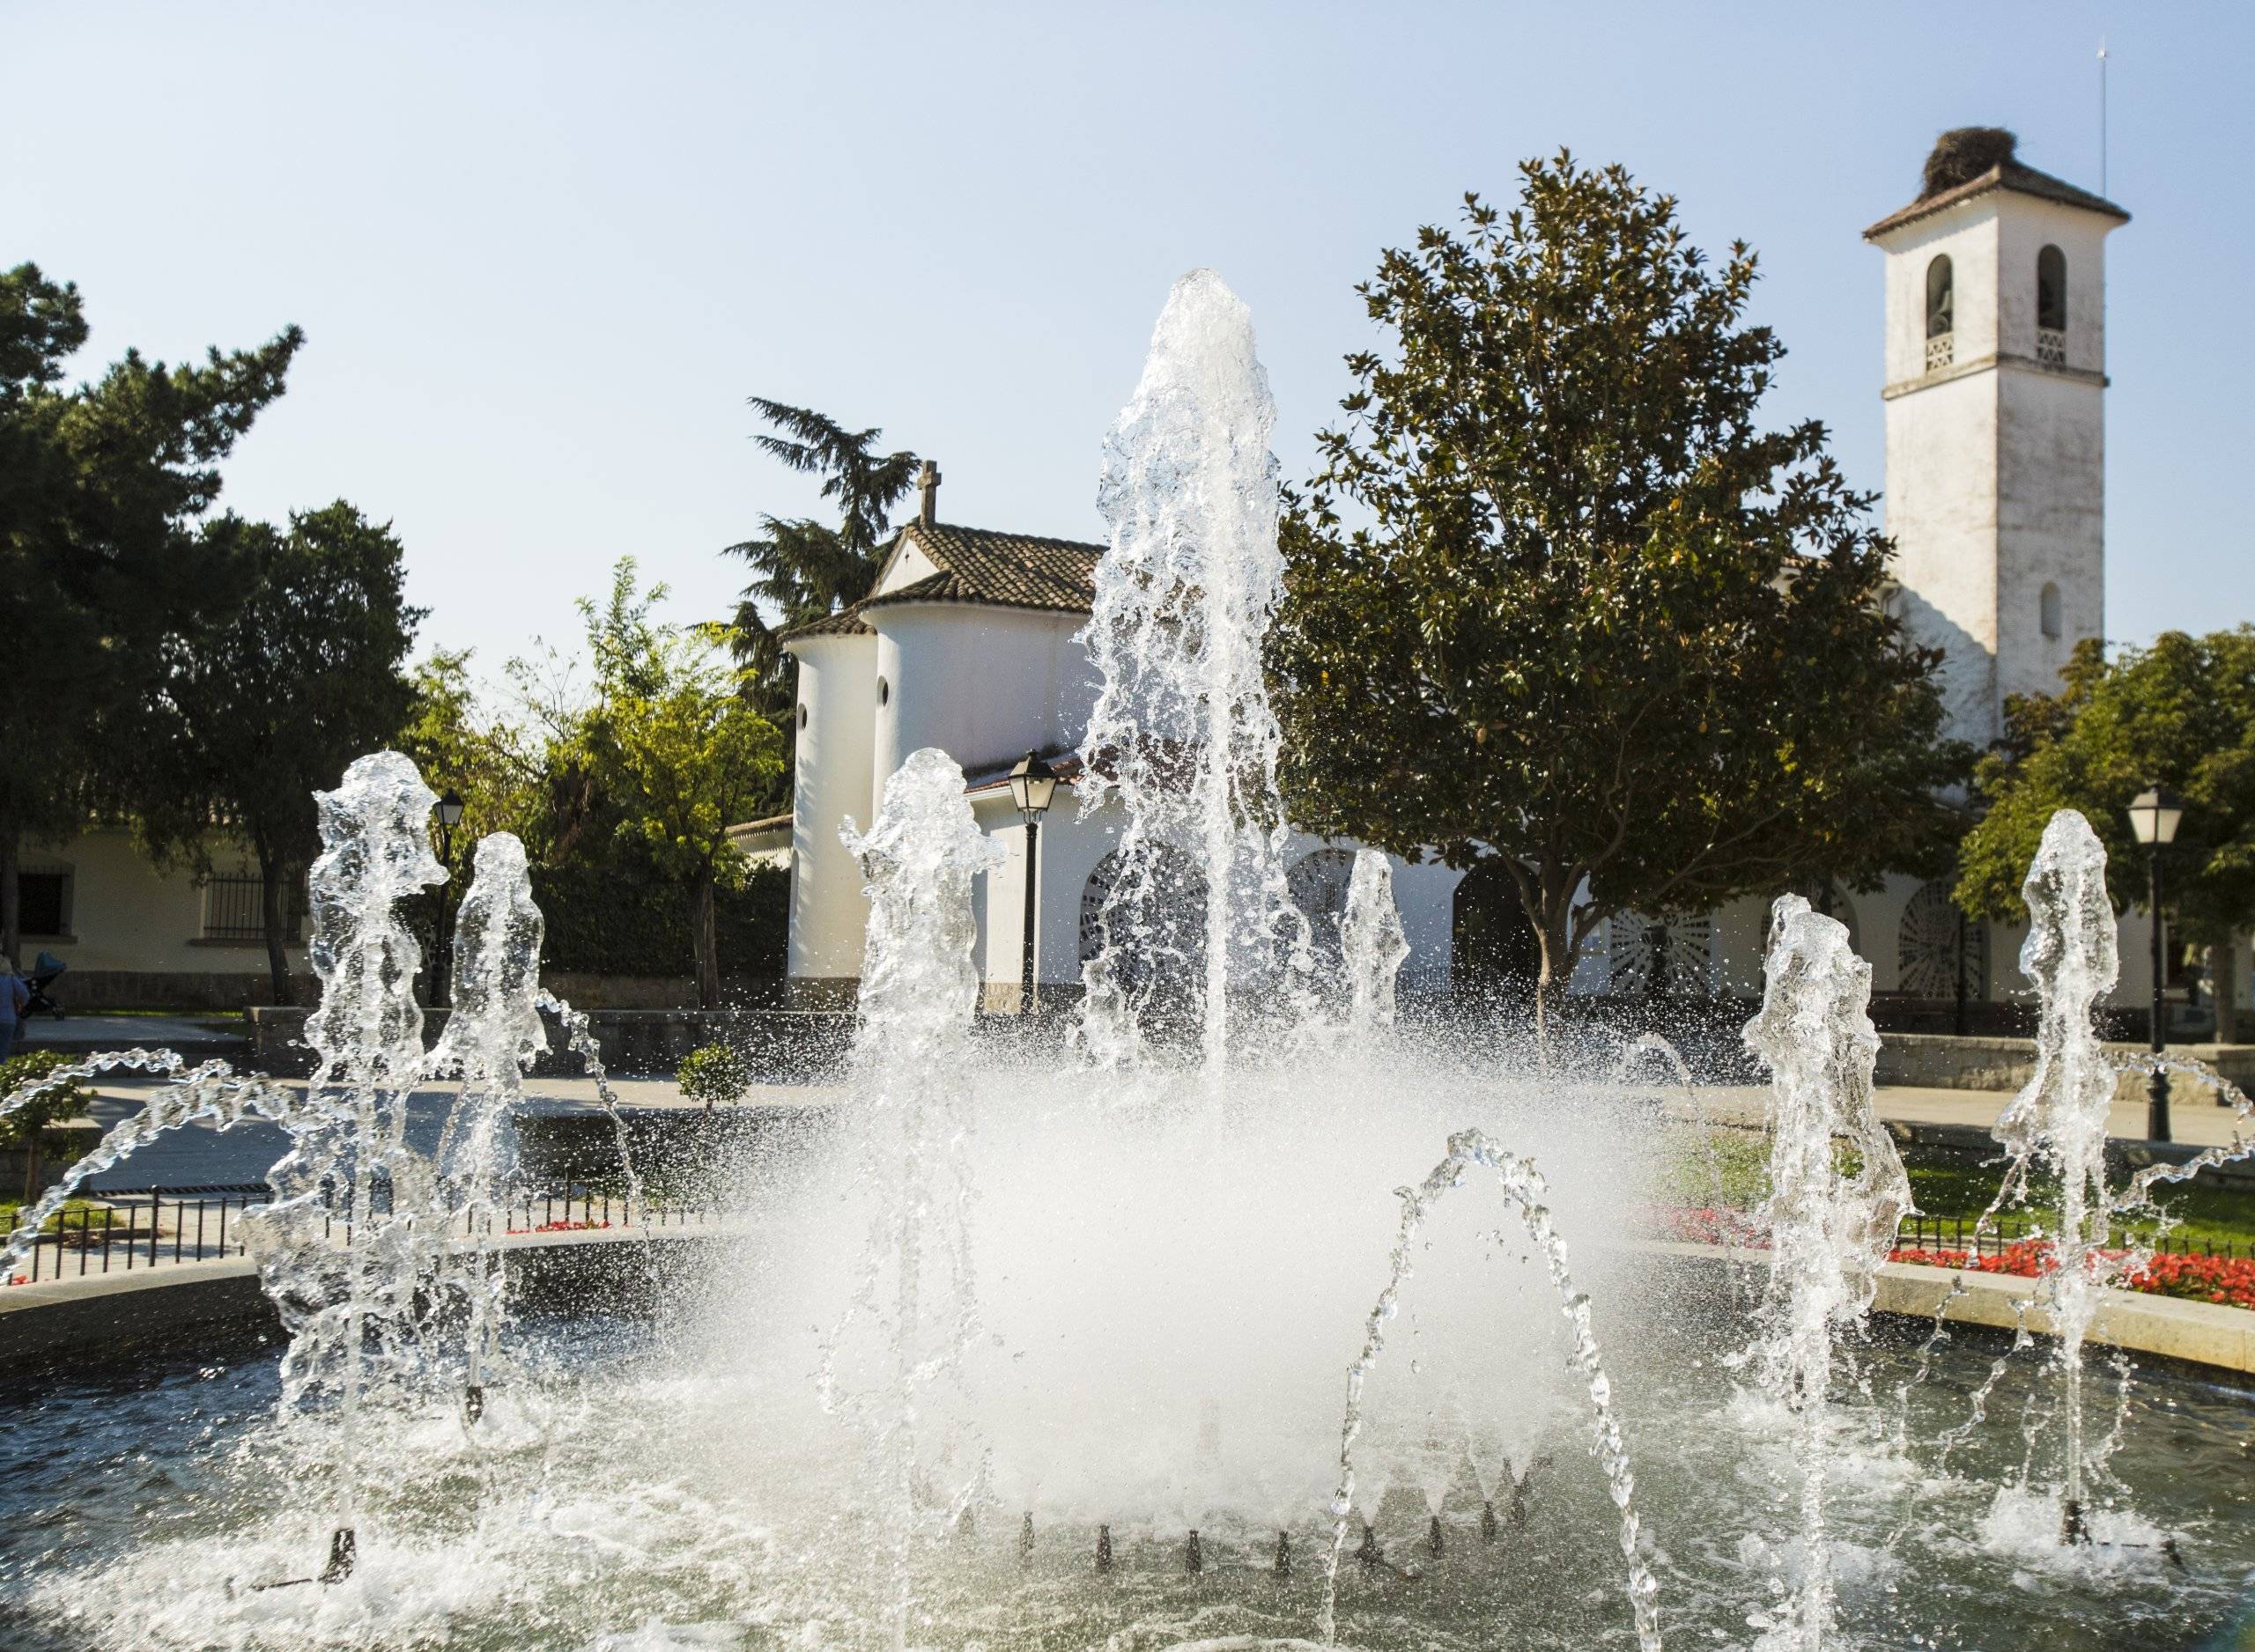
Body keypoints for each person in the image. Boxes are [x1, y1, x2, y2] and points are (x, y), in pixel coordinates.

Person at [0, 963, 26, 1064]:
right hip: (8, 1019)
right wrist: (21, 1005)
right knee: (3, 1052)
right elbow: (24, 994)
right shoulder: (10, 978)